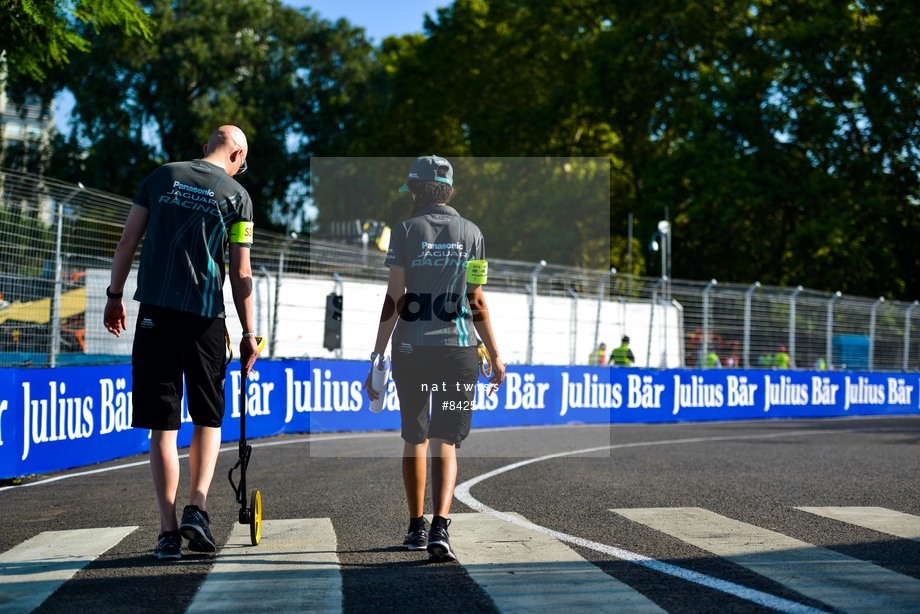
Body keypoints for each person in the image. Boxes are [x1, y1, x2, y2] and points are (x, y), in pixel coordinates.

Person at [103, 125, 260, 560]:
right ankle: (198, 507)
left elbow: (128, 240)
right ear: (238, 156)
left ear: (204, 146)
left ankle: (168, 532)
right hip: (204, 318)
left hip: (154, 312)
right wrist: (249, 334)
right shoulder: (237, 196)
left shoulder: (161, 176)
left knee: (163, 425)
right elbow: (242, 273)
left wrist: (115, 296)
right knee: (208, 417)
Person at [365, 155, 505, 562]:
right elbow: (476, 300)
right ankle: (441, 528)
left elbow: (395, 298)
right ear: (448, 189)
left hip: (411, 348)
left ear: (416, 189)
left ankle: (415, 527)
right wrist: (495, 354)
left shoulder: (405, 230)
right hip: (459, 350)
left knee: (415, 437)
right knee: (447, 440)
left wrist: (377, 353)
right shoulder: (473, 234)